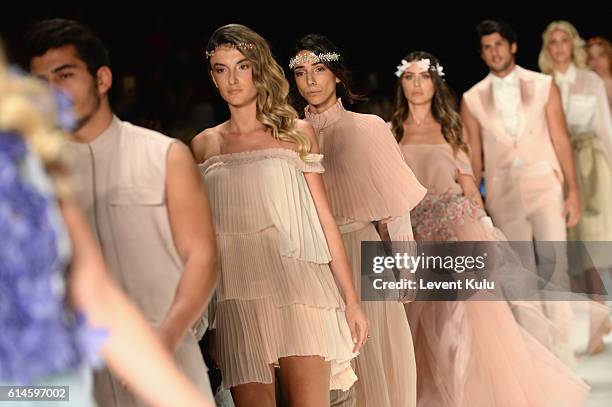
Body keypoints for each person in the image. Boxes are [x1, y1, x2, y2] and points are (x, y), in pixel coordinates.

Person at [0, 50, 212, 407]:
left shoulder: (30, 161)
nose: (53, 91)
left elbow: (97, 295)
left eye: (64, 75)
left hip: (68, 386)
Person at [392, 50, 590, 407]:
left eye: (423, 76)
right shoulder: (391, 131)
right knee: (422, 327)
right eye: (409, 77)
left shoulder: (452, 129)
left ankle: (470, 396)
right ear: (401, 83)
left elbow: (469, 186)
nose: (417, 85)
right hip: (415, 236)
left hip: (457, 229)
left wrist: (484, 227)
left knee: (465, 325)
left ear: (435, 83)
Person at [191, 24, 368, 407]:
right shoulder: (204, 145)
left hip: (299, 289)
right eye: (222, 69)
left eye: (242, 66)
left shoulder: (296, 133)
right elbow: (200, 239)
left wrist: (351, 301)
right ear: (212, 76)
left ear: (258, 70)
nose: (233, 79)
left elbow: (324, 220)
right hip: (237, 299)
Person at [290, 33, 427, 407]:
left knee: (375, 363)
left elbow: (394, 209)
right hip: (313, 262)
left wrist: (406, 269)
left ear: (336, 75)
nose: (311, 81)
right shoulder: (288, 135)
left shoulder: (369, 127)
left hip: (364, 254)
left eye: (319, 70)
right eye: (301, 73)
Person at [461, 19, 580, 366]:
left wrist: (573, 191)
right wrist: (473, 204)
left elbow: (560, 139)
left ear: (512, 46)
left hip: (544, 183)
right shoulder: (472, 99)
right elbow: (474, 159)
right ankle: (541, 356)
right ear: (482, 54)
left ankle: (564, 350)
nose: (493, 51)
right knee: (522, 273)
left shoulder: (544, 85)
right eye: (486, 47)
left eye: (499, 44)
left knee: (554, 265)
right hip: (503, 191)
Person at [539, 20, 612, 353]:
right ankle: (575, 330)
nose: (558, 47)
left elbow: (605, 130)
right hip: (555, 169)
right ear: (546, 47)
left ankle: (598, 329)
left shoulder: (590, 80)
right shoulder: (540, 83)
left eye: (564, 40)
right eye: (552, 41)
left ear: (573, 44)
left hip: (593, 168)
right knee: (569, 253)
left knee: (596, 250)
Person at [586, 36, 612, 108]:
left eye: (601, 55)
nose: (596, 61)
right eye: (591, 57)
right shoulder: (587, 85)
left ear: (609, 56)